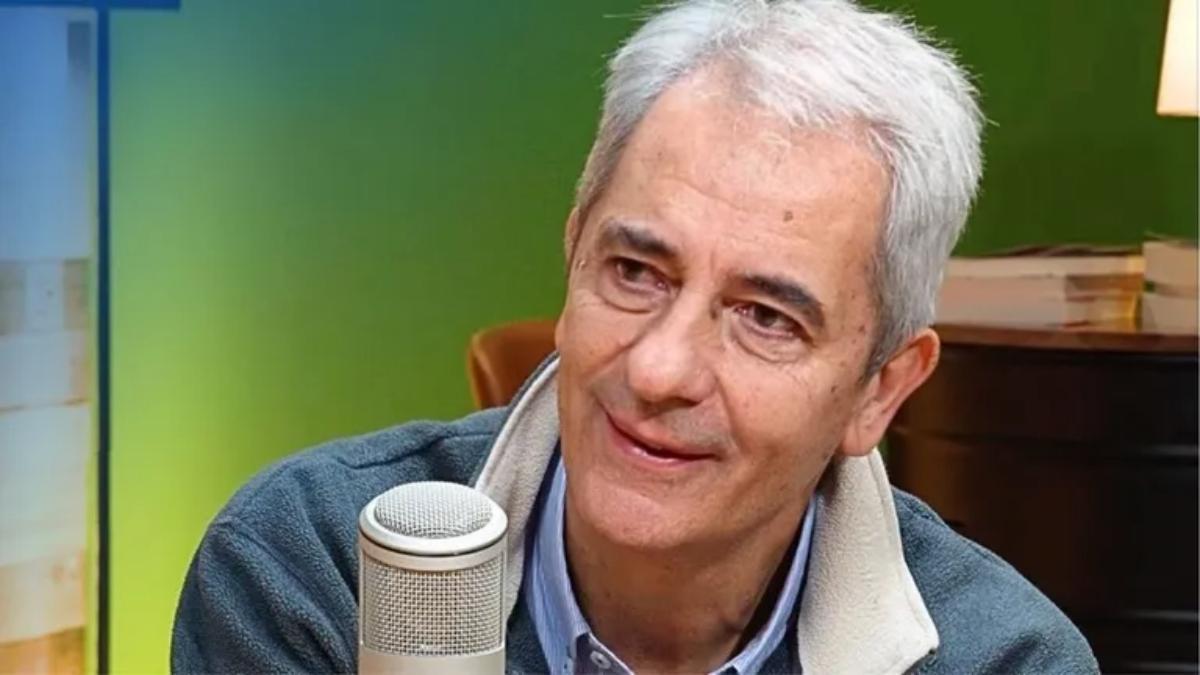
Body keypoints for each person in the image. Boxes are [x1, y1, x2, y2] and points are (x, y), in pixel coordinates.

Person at [172, 1, 1098, 672]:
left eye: (766, 317)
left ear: (880, 389)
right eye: (636, 272)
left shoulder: (1000, 659)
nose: (659, 368)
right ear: (574, 251)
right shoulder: (314, 571)